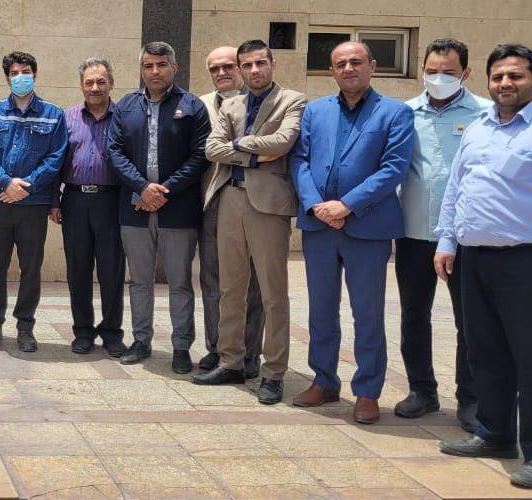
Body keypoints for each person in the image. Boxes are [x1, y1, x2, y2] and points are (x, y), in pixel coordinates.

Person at [290, 40, 413, 424]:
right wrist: (315, 205)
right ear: (331, 71)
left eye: (356, 61)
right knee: (321, 308)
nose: (348, 68)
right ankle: (324, 380)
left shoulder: (395, 112)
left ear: (372, 66)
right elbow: (299, 160)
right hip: (319, 227)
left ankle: (368, 390)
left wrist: (347, 205)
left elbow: (393, 168)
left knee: (367, 313)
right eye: (340, 63)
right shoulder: (315, 110)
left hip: (368, 227)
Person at [435, 43, 532, 491]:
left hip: (523, 260)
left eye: (516, 75)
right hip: (474, 258)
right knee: (485, 351)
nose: (505, 84)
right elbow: (456, 187)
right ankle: (494, 434)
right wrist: (447, 240)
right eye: (498, 77)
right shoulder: (478, 127)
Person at [193, 40, 306, 405]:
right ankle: (231, 361)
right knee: (231, 289)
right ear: (241, 70)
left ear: (272, 64)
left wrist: (239, 145)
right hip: (229, 199)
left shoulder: (292, 101)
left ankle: (273, 372)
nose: (254, 70)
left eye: (260, 62)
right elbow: (212, 148)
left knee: (273, 294)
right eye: (247, 65)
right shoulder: (231, 105)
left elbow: (283, 141)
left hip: (268, 207)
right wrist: (255, 155)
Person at [395, 38, 489, 427]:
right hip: (414, 233)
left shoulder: (485, 113)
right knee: (414, 314)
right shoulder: (405, 113)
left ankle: (471, 399)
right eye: (432, 71)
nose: (439, 78)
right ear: (422, 70)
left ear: (466, 73)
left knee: (470, 320)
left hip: (465, 237)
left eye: (448, 72)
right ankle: (422, 390)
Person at [107, 42, 210, 373]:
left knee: (180, 281)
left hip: (178, 209)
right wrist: (142, 187)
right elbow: (114, 152)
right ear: (141, 69)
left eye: (161, 65)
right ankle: (141, 340)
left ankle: (181, 346)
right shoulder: (126, 106)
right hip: (135, 208)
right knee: (139, 280)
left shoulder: (192, 106)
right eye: (148, 66)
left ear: (174, 68)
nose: (155, 71)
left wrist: (165, 190)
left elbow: (200, 156)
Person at [0, 51, 67, 352]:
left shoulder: (53, 114)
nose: (20, 78)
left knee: (30, 268)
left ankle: (25, 327)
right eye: (14, 73)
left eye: (25, 72)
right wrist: (6, 183)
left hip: (33, 204)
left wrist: (26, 186)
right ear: (7, 77)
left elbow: (56, 158)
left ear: (34, 74)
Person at [49, 57, 126, 357]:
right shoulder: (66, 117)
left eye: (101, 82)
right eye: (89, 82)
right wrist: (54, 200)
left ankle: (112, 333)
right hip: (75, 201)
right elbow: (56, 160)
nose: (95, 87)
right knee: (78, 270)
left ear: (111, 84)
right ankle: (82, 332)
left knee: (111, 271)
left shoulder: (124, 117)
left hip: (111, 201)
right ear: (81, 86)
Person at [196, 46, 264, 377]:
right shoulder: (199, 105)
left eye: (228, 66)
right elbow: (206, 152)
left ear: (240, 67)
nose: (221, 72)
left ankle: (249, 352)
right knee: (212, 279)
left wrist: (228, 151)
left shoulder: (261, 102)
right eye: (214, 68)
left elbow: (273, 148)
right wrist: (249, 153)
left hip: (254, 200)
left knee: (253, 283)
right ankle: (218, 348)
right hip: (212, 200)